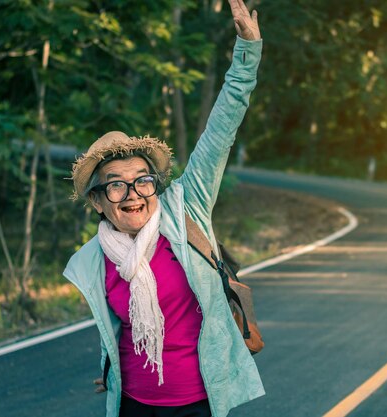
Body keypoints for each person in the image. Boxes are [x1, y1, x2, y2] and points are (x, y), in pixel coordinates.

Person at [63, 1, 264, 416]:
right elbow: (114, 332)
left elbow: (221, 130)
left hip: (199, 400)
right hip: (133, 404)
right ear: (99, 202)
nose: (133, 194)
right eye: (115, 185)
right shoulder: (92, 260)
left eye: (142, 180)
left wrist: (247, 50)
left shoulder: (184, 207)